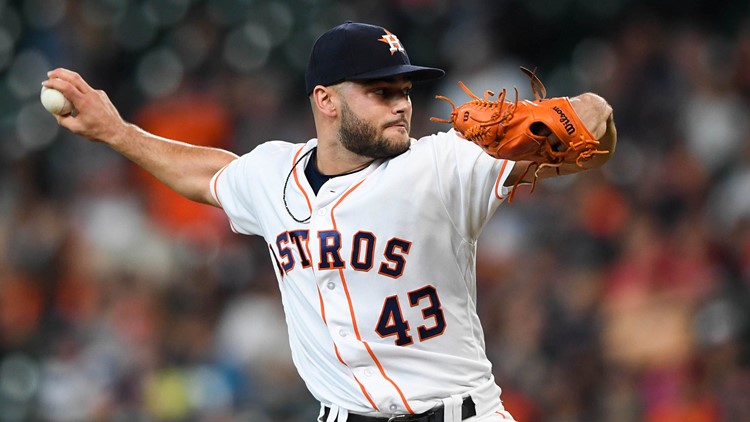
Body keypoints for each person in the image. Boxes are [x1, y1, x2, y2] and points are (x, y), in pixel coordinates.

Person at [44, 21, 616, 422]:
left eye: (404, 90)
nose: (401, 104)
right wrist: (116, 133)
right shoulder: (272, 173)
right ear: (326, 100)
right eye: (379, 91)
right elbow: (210, 175)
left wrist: (566, 120)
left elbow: (598, 123)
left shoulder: (443, 164)